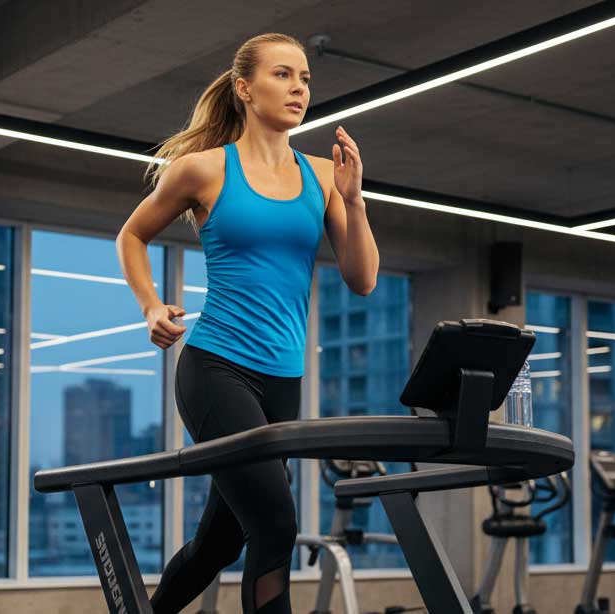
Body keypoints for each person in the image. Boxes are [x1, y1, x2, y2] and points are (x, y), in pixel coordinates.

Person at [116, 32, 379, 614]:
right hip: (216, 368)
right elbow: (132, 234)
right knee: (276, 524)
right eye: (283, 75)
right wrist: (151, 306)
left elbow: (362, 280)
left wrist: (354, 201)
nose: (299, 88)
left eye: (305, 78)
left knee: (220, 541)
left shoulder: (321, 177)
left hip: (283, 379)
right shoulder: (203, 170)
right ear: (243, 87)